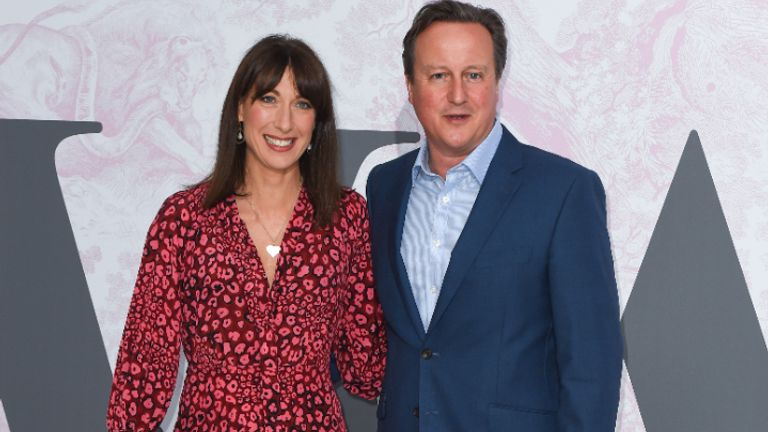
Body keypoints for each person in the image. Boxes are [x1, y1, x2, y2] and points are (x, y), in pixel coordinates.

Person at [106, 35, 386, 432]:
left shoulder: (346, 217)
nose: (285, 122)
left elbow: (367, 366)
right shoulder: (185, 219)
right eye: (268, 99)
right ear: (240, 108)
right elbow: (145, 363)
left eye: (302, 104)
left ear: (316, 122)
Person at [365, 1, 623, 431]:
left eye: (474, 74)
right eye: (438, 75)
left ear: (497, 84)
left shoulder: (563, 190)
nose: (457, 95)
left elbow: (592, 363)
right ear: (410, 87)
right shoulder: (384, 186)